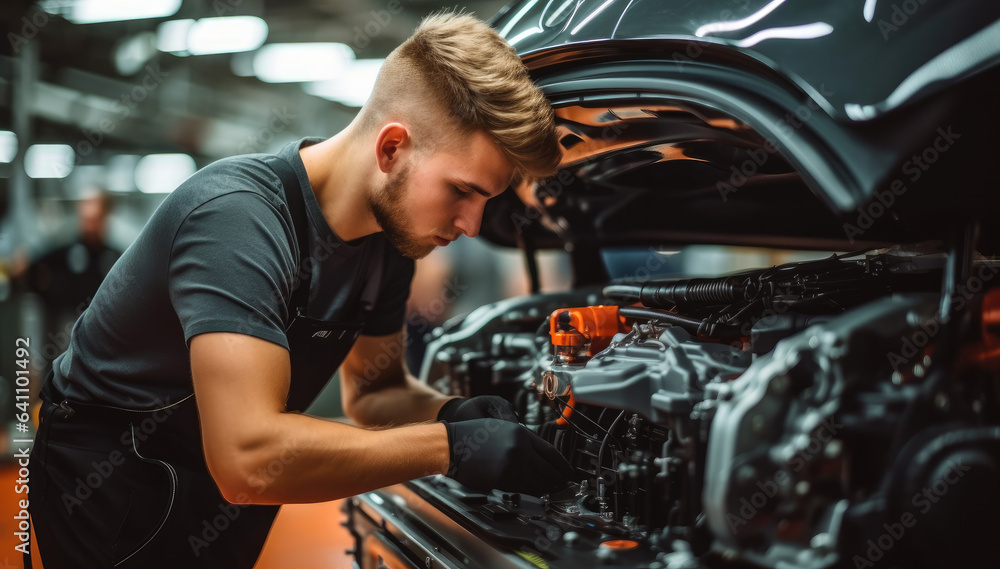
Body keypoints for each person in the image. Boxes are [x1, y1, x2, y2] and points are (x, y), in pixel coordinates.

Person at [28, 12, 573, 569]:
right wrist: (449, 449)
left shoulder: (389, 246)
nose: (473, 226)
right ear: (391, 150)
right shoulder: (239, 220)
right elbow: (247, 458)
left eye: (486, 201)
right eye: (462, 191)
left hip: (223, 487)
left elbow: (372, 394)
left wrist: (449, 412)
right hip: (116, 486)